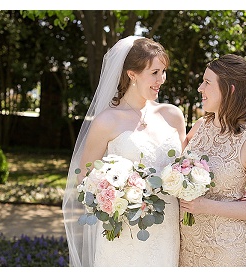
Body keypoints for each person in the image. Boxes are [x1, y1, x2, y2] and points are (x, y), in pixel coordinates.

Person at [62, 36, 186, 266]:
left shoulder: (173, 116)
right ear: (132, 74)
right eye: (155, 73)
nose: (162, 79)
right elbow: (84, 177)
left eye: (163, 72)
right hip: (123, 232)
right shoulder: (107, 121)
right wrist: (117, 194)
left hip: (167, 228)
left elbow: (184, 167)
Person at [178, 54, 246, 266]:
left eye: (207, 82)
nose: (200, 88)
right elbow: (176, 169)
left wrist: (204, 205)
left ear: (229, 89)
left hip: (224, 250)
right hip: (186, 244)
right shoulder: (199, 127)